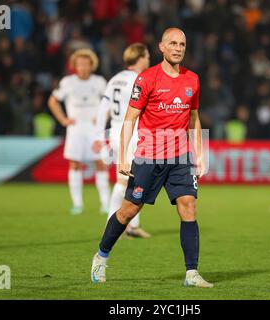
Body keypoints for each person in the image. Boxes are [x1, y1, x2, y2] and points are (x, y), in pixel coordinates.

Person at [90, 28, 213, 288]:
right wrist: (123, 157)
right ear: (162, 47)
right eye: (173, 44)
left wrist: (200, 153)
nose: (178, 48)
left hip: (180, 156)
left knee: (188, 206)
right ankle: (101, 256)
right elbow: (130, 119)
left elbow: (193, 118)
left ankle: (192, 273)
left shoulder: (192, 80)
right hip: (148, 156)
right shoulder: (146, 79)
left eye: (182, 44)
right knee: (128, 211)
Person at [93, 43, 152, 238]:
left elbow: (103, 109)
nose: (149, 59)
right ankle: (111, 224)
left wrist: (99, 136)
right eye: (147, 56)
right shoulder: (139, 79)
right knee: (124, 180)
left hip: (116, 131)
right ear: (140, 58)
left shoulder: (115, 79)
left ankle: (132, 225)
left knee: (135, 179)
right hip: (132, 133)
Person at [48, 49, 110, 215]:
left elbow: (110, 103)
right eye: (80, 64)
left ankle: (105, 204)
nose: (83, 67)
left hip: (94, 129)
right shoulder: (68, 82)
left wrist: (102, 117)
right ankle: (77, 204)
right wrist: (63, 120)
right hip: (75, 129)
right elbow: (53, 101)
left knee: (100, 163)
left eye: (86, 64)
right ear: (74, 66)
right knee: (74, 163)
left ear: (92, 65)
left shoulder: (99, 82)